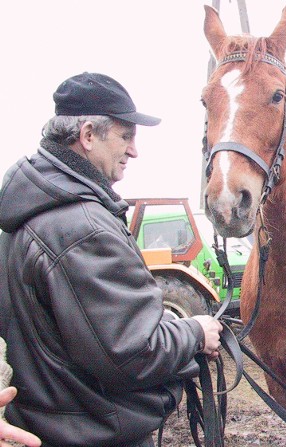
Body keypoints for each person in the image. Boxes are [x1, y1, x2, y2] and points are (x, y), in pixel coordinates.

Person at [0, 72, 223, 447]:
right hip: (95, 432)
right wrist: (196, 331)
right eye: (125, 136)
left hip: (45, 424)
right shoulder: (83, 227)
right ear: (88, 136)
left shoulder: (28, 215)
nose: (134, 150)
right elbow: (136, 352)